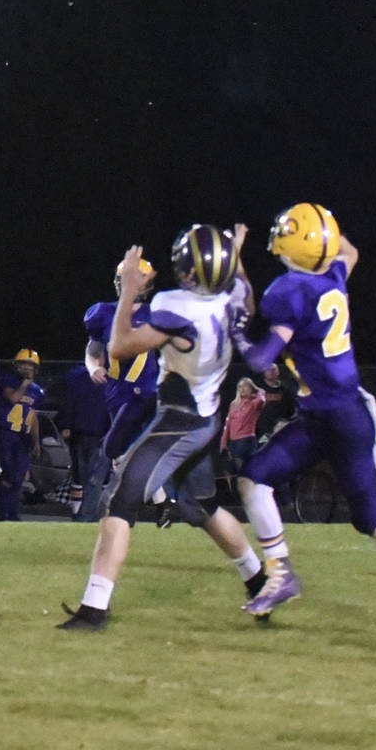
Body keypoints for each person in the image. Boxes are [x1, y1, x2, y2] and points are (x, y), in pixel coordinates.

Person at [231, 205, 376, 635]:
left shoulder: (290, 290)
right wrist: (324, 227)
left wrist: (235, 330)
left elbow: (260, 358)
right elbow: (350, 252)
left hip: (341, 420)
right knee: (254, 478)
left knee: (369, 517)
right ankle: (280, 572)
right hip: (322, 416)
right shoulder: (332, 275)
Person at [59, 227, 272, 631]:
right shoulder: (230, 301)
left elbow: (119, 346)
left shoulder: (177, 306)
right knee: (200, 507)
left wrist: (128, 291)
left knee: (120, 499)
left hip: (179, 419)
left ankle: (94, 609)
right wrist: (236, 255)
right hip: (207, 417)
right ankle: (258, 580)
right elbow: (246, 296)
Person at [77, 258, 161, 522]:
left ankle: (158, 501)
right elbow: (93, 350)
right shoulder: (102, 313)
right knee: (121, 454)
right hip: (118, 391)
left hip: (149, 390)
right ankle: (155, 503)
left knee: (145, 449)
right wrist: (93, 367)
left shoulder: (156, 313)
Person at [57, 354, 110, 519]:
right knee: (82, 477)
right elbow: (68, 400)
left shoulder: (113, 377)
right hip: (81, 433)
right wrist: (66, 424)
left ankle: (86, 516)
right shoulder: (78, 376)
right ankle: (83, 515)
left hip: (97, 434)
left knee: (92, 478)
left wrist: (111, 431)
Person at [0, 348, 44, 521]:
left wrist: (36, 441)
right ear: (16, 366)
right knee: (9, 472)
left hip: (23, 437)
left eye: (31, 365)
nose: (27, 368)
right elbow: (13, 398)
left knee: (19, 476)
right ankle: (2, 513)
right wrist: (25, 384)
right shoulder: (8, 380)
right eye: (23, 364)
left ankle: (13, 514)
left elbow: (33, 417)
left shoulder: (37, 391)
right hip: (7, 434)